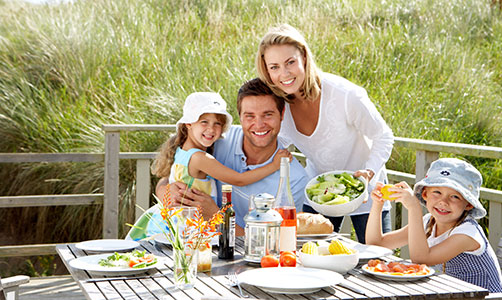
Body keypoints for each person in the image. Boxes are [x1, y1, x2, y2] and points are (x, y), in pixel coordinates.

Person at [255, 24, 394, 243]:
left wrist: (369, 172)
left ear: (304, 57)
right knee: (307, 256)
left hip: (366, 188)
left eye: (290, 62)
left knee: (377, 257)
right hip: (320, 191)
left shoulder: (346, 95)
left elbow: (383, 136)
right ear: (267, 70)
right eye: (274, 67)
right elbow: (269, 144)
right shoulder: (278, 105)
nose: (284, 74)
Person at [127, 91, 292, 240]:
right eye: (204, 122)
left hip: (175, 220)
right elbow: (239, 180)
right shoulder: (200, 158)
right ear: (189, 124)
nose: (211, 129)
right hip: (185, 225)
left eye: (217, 124)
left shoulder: (182, 150)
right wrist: (274, 165)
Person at [155, 79, 309, 235]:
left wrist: (217, 218)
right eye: (250, 116)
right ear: (240, 116)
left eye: (267, 115)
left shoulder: (294, 178)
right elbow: (170, 178)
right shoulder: (217, 141)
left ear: (282, 114)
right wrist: (166, 192)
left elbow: (277, 241)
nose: (259, 124)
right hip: (189, 236)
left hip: (242, 251)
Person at [366, 158, 502, 293]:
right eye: (437, 192)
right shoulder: (429, 222)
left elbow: (421, 259)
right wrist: (378, 204)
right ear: (425, 194)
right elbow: (376, 244)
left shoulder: (468, 233)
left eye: (455, 196)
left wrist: (414, 207)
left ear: (468, 204)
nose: (443, 201)